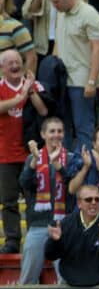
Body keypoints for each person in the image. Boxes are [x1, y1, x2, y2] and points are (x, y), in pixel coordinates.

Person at [19, 117, 80, 284]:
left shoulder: (73, 158)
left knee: (66, 280)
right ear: (43, 134)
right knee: (27, 280)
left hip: (63, 227)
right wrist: (33, 162)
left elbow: (74, 189)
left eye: (60, 131)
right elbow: (25, 184)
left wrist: (59, 166)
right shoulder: (32, 158)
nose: (56, 135)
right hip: (38, 225)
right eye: (52, 131)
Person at [47, 0, 99, 151]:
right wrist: (52, 69)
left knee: (83, 129)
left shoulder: (90, 14)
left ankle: (85, 171)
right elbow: (58, 43)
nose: (54, 6)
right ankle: (66, 170)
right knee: (63, 129)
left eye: (56, 2)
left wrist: (91, 81)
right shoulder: (61, 12)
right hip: (63, 78)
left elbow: (98, 48)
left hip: (82, 79)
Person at [0, 49, 47, 254]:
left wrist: (29, 90)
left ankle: (35, 239)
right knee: (8, 201)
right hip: (5, 155)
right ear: (2, 68)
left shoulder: (33, 86)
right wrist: (21, 95)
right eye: (9, 63)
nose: (14, 65)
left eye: (17, 61)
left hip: (32, 155)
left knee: (33, 200)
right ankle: (12, 240)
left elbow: (43, 110)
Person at [44, 184, 99, 286]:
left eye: (97, 199)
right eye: (88, 199)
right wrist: (55, 241)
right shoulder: (66, 224)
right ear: (79, 203)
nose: (93, 203)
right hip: (70, 288)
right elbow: (50, 255)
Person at [0, 0, 37, 73]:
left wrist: (22, 83)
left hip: (6, 83)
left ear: (5, 1)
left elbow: (31, 58)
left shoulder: (16, 27)